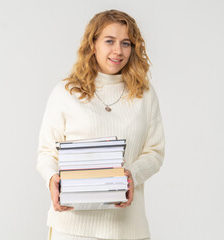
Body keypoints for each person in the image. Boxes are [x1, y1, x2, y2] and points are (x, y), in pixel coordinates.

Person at [37, 9, 165, 240]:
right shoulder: (66, 92)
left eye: (126, 43)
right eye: (110, 41)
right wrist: (51, 178)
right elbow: (47, 152)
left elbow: (154, 152)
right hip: (72, 226)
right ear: (93, 43)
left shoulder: (144, 95)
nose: (118, 50)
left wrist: (131, 175)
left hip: (128, 228)